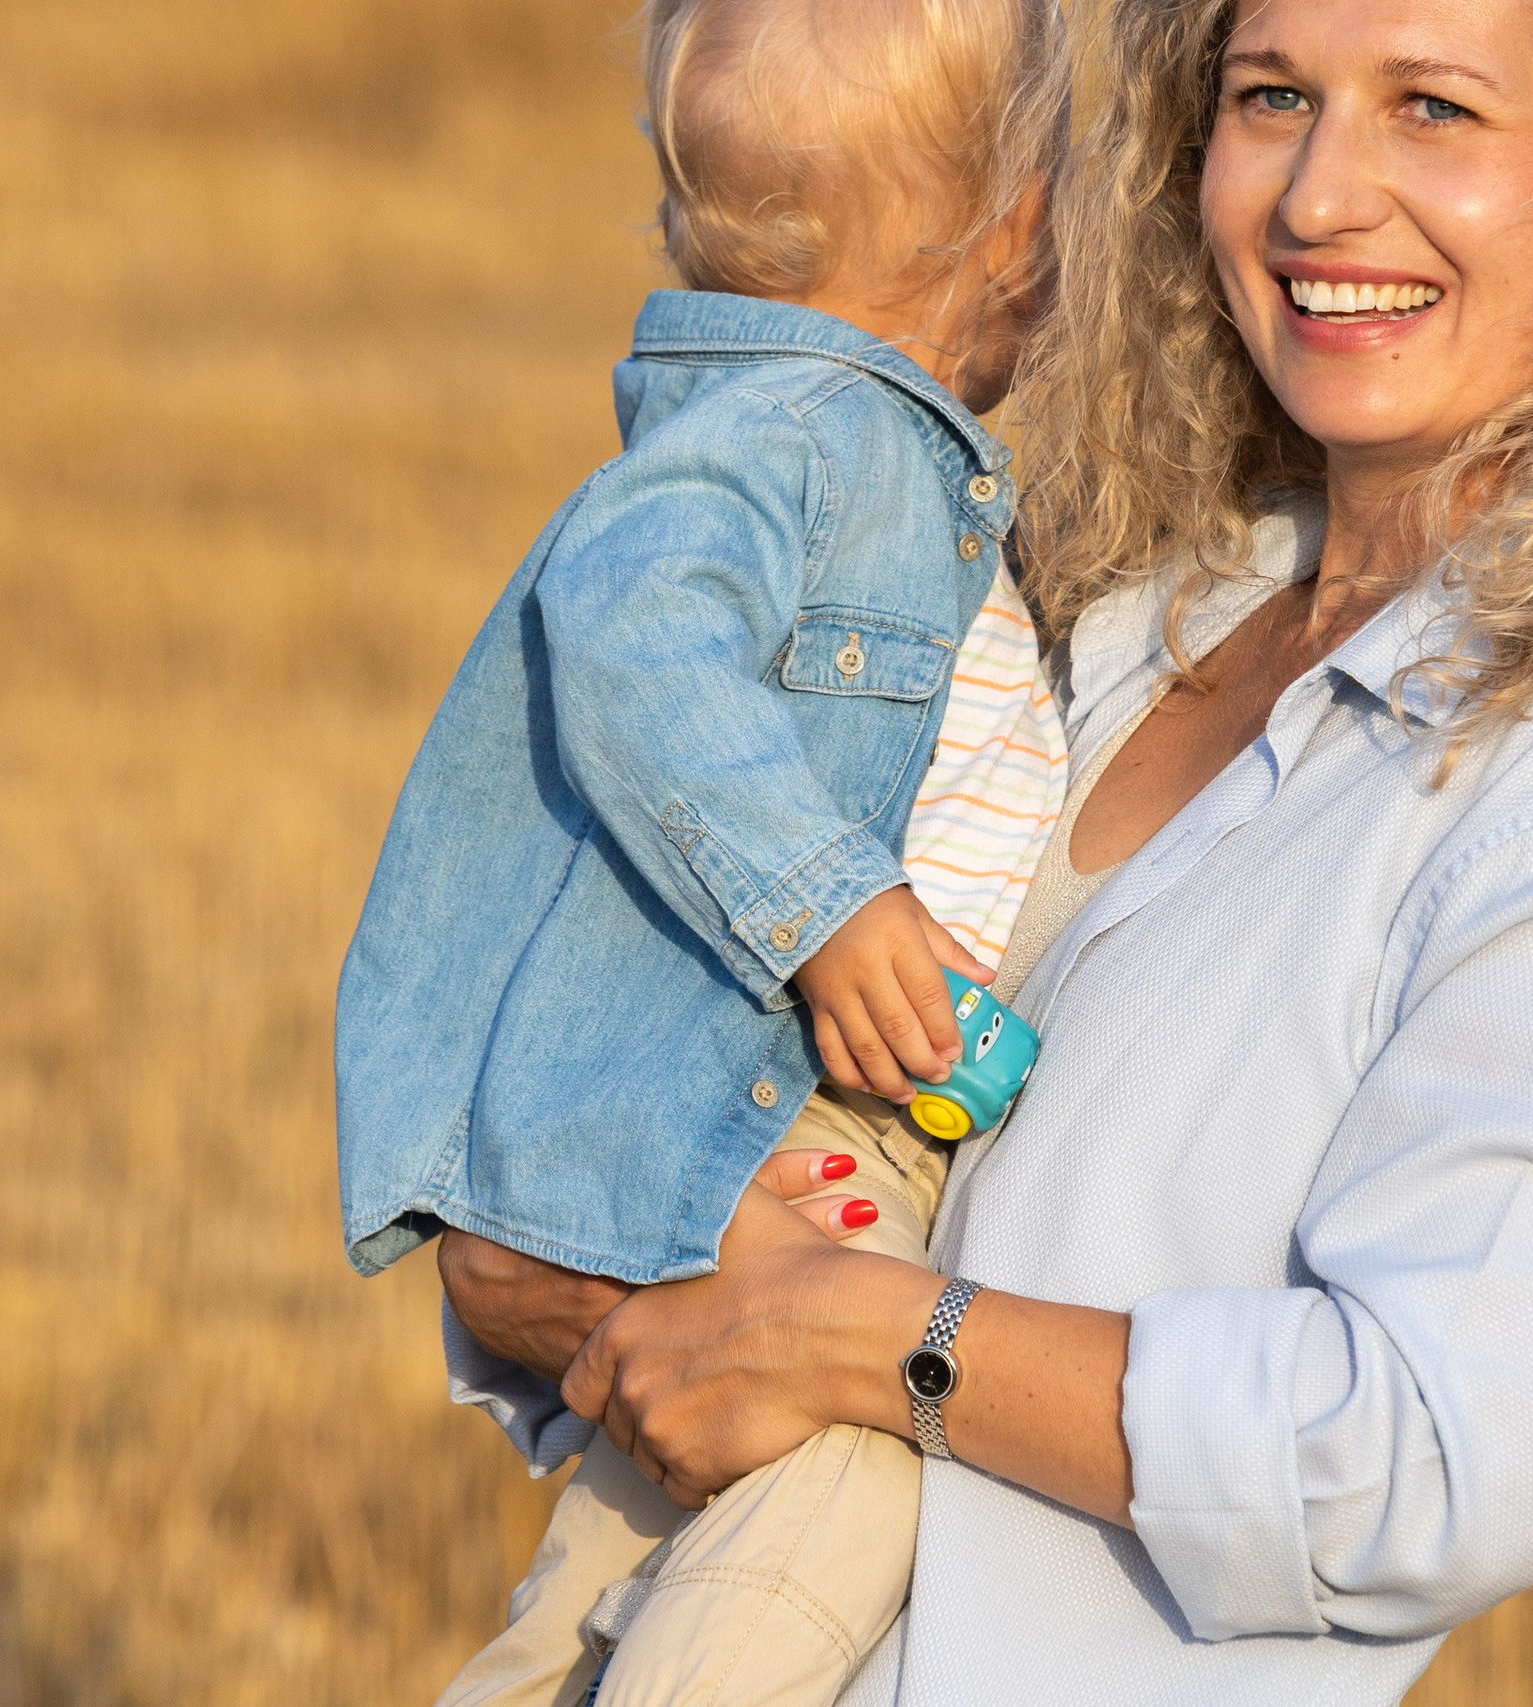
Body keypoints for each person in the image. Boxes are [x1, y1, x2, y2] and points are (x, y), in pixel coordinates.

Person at [438, 0, 1533, 1702]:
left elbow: (1438, 1458)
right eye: (1270, 95)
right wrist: (582, 1255)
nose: (1317, 197)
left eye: (1433, 108)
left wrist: (874, 1342)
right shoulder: (1106, 606)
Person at [334, 2, 1070, 1703]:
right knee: (872, 1448)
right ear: (1019, 229)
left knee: (620, 1550)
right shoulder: (809, 432)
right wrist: (829, 905)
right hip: (780, 1116)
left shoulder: (833, 436)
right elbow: (630, 619)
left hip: (769, 1109)